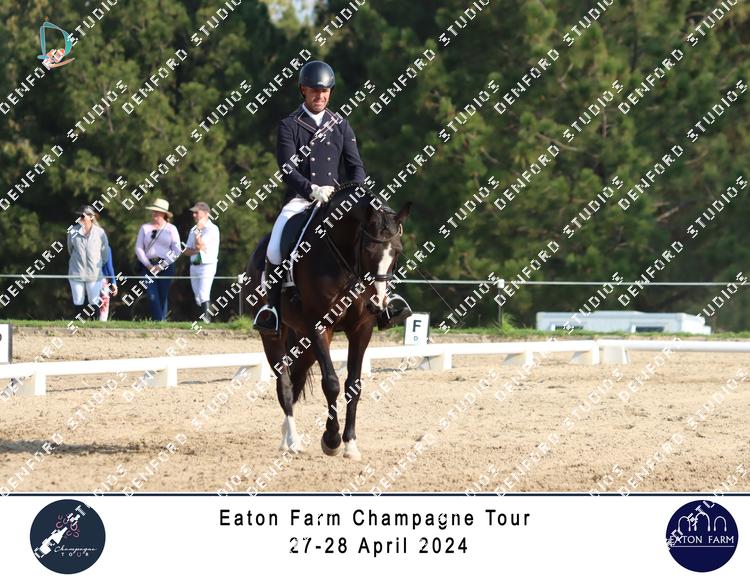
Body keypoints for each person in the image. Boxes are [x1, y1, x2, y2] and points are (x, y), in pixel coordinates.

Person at [253, 60, 412, 336]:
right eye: (315, 91)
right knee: (275, 248)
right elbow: (287, 168)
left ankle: (386, 300)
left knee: (377, 239)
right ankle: (273, 311)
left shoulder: (340, 125)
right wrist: (311, 189)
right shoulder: (289, 125)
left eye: (325, 91)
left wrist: (357, 194)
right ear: (303, 90)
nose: (320, 96)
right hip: (301, 200)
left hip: (337, 201)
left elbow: (356, 166)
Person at [134, 198, 182, 321]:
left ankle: (161, 323)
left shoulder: (171, 228)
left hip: (166, 266)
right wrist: (148, 264)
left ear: (164, 214)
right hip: (148, 265)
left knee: (162, 295)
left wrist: (162, 265)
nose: (155, 213)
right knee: (152, 296)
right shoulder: (144, 228)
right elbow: (139, 248)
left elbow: (177, 250)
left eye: (158, 211)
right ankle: (160, 321)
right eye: (154, 211)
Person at [67, 205, 110, 319]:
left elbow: (105, 253)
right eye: (78, 216)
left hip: (94, 274)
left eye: (82, 216)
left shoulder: (100, 232)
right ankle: (77, 325)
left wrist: (97, 264)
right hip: (76, 272)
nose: (79, 219)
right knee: (78, 300)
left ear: (91, 217)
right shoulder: (72, 231)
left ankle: (94, 325)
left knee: (94, 301)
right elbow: (70, 250)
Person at [185, 201, 220, 321]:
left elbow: (199, 245)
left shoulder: (212, 229)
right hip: (194, 265)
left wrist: (198, 231)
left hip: (207, 265)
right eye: (193, 213)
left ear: (206, 213)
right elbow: (187, 250)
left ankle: (206, 321)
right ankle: (201, 320)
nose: (194, 215)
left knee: (204, 294)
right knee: (197, 297)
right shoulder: (193, 229)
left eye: (196, 212)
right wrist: (196, 249)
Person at [98, 247, 118, 321]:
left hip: (88, 278)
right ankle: (102, 322)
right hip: (102, 279)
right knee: (104, 302)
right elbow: (109, 266)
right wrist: (113, 282)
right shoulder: (105, 247)